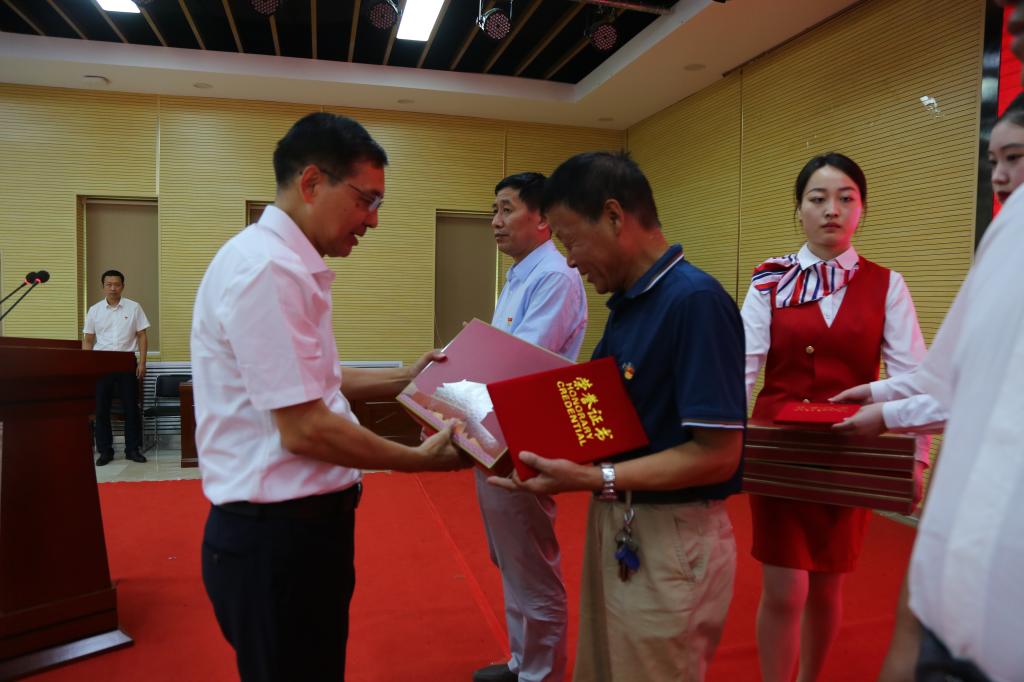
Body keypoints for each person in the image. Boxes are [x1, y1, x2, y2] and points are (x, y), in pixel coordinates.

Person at [191, 112, 469, 682]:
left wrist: (405, 378)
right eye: (366, 201)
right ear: (312, 183)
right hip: (276, 539)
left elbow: (317, 379)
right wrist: (417, 460)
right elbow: (305, 427)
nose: (373, 220)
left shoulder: (282, 262)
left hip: (296, 533)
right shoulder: (268, 270)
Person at [490, 151, 746, 682]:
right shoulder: (631, 303)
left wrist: (594, 477)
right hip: (620, 519)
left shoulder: (694, 302)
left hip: (671, 533)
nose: (571, 263)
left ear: (613, 216)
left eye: (571, 242)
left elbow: (718, 455)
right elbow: (593, 411)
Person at [741, 152, 937, 682]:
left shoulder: (887, 285)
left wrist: (915, 460)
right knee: (784, 587)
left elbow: (916, 380)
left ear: (862, 209)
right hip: (780, 453)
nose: (832, 209)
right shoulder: (770, 281)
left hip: (851, 453)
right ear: (799, 209)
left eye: (846, 198)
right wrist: (727, 444)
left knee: (829, 585)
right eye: (818, 198)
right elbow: (741, 367)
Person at [473, 172, 587, 682]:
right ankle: (523, 661)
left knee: (531, 565)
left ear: (542, 218)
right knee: (511, 559)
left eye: (507, 209)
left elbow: (518, 363)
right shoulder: (522, 273)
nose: (496, 222)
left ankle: (541, 674)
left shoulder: (555, 276)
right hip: (495, 432)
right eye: (494, 211)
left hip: (526, 435)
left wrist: (454, 392)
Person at [83, 269, 150, 466]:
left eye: (117, 284)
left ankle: (132, 449)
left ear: (123, 286)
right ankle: (106, 451)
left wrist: (142, 362)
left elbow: (142, 335)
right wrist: (86, 365)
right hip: (101, 362)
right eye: (109, 284)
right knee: (101, 409)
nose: (113, 288)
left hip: (126, 361)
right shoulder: (94, 310)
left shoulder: (134, 307)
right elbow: (88, 339)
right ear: (103, 286)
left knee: (131, 408)